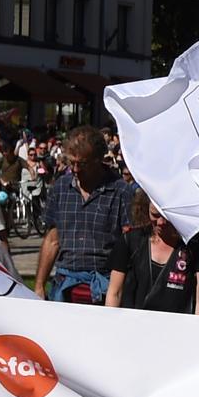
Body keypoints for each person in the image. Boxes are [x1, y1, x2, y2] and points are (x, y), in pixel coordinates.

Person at [34, 127, 136, 304]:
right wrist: (39, 285)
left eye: (82, 164)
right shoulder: (61, 187)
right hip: (64, 285)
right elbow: (52, 240)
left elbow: (130, 245)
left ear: (98, 159)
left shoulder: (121, 191)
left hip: (104, 288)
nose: (75, 169)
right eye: (71, 162)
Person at [109, 195, 199, 314]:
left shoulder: (196, 245)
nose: (161, 222)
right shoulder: (130, 240)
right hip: (134, 321)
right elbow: (114, 293)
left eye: (167, 216)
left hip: (178, 323)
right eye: (155, 215)